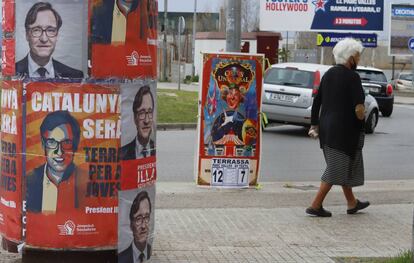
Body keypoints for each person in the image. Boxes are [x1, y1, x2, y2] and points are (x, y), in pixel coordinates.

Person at [306, 38, 370, 217]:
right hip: (344, 132)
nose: (358, 60)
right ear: (350, 58)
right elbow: (359, 108)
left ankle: (352, 203)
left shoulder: (328, 74)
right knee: (336, 169)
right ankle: (315, 205)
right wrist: (362, 119)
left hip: (327, 130)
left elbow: (317, 102)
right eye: (357, 56)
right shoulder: (353, 77)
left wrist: (314, 125)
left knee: (341, 166)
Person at [26, 110, 84, 213]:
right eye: (52, 142)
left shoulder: (87, 182)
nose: (59, 151)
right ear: (43, 144)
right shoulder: (28, 182)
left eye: (66, 142)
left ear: (75, 146)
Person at [15, 2, 84, 78]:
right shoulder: (11, 73)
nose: (44, 39)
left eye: (50, 30)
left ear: (57, 35)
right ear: (27, 35)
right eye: (36, 30)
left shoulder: (75, 76)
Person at [121, 86, 156, 160]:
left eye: (150, 112)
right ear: (135, 118)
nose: (146, 120)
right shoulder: (123, 153)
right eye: (142, 113)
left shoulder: (155, 148)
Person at [118, 190, 152, 263]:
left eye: (146, 217)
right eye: (138, 219)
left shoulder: (150, 251)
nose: (143, 226)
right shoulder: (121, 258)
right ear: (131, 225)